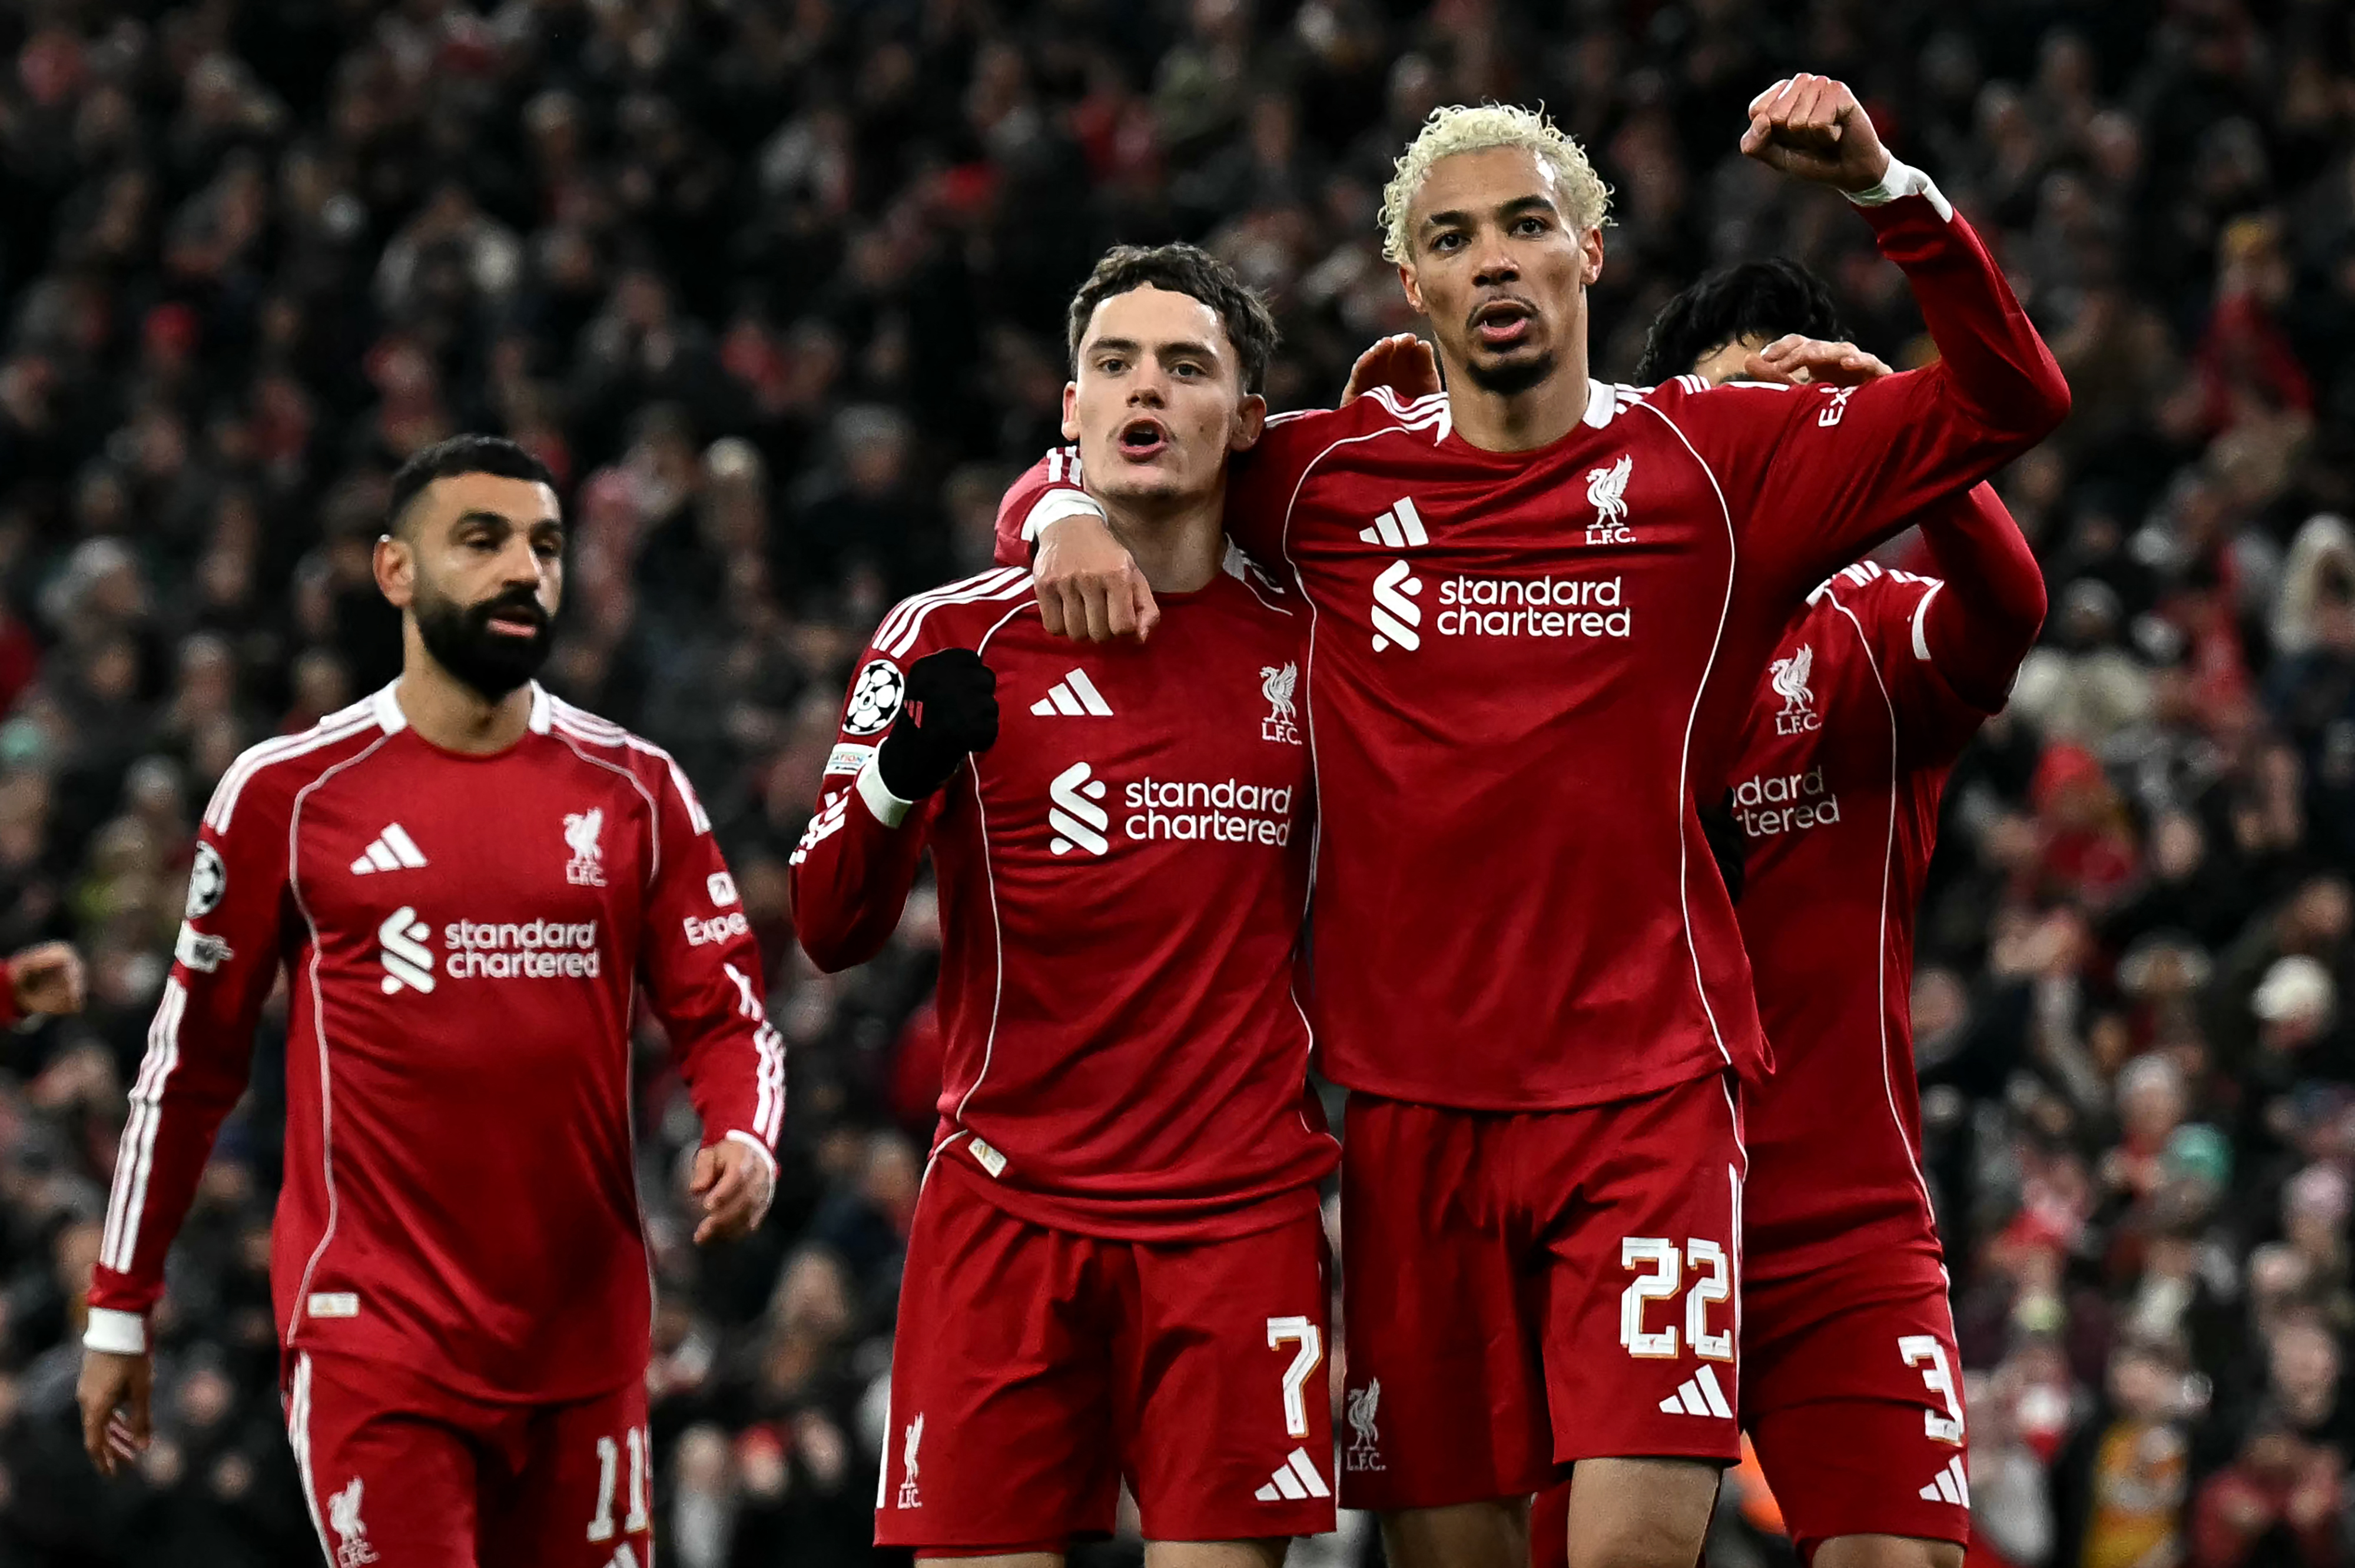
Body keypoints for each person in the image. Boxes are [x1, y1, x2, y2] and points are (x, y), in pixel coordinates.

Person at [998, 77, 2069, 1568]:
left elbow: (2012, 401)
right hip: (1409, 1120)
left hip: (1647, 1102)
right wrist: (1051, 512)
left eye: (1525, 226)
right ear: (1411, 281)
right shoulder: (1322, 480)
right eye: (1454, 238)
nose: (1493, 257)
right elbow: (1130, 455)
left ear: (1588, 253)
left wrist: (1886, 188)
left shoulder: (1709, 459)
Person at [75, 435, 783, 1568]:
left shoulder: (638, 789)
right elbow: (188, 1067)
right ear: (395, 571)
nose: (525, 572)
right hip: (378, 1340)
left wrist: (745, 1131)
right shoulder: (286, 795)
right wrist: (121, 1303)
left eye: (546, 547)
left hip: (585, 1345)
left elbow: (725, 1012)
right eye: (483, 540)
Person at [790, 243, 1339, 1568]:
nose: (1144, 389)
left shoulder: (1316, 645)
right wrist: (896, 772)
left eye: (1185, 365)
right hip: (1005, 1208)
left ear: (1246, 420)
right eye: (1113, 364)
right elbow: (825, 923)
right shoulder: (946, 634)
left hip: (1238, 1220)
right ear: (1069, 409)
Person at [1526, 260, 2048, 1568]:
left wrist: (1919, 443)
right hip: (1618, 1201)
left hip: (1842, 1217)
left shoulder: (1874, 633)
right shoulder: (1574, 633)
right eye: (1731, 403)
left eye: (1797, 401)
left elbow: (2009, 612)